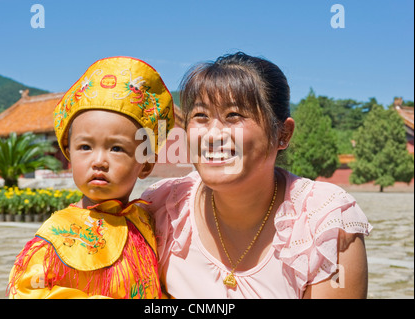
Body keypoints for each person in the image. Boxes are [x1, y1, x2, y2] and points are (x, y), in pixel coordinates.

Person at [141, 52, 372, 299]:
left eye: (233, 116)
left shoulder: (324, 221)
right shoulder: (164, 207)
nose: (212, 135)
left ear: (283, 134)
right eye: (201, 117)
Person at [7, 56, 175, 299]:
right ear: (69, 155)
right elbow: (25, 292)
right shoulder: (56, 233)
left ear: (146, 164)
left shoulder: (147, 224)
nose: (98, 161)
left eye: (116, 148)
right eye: (85, 147)